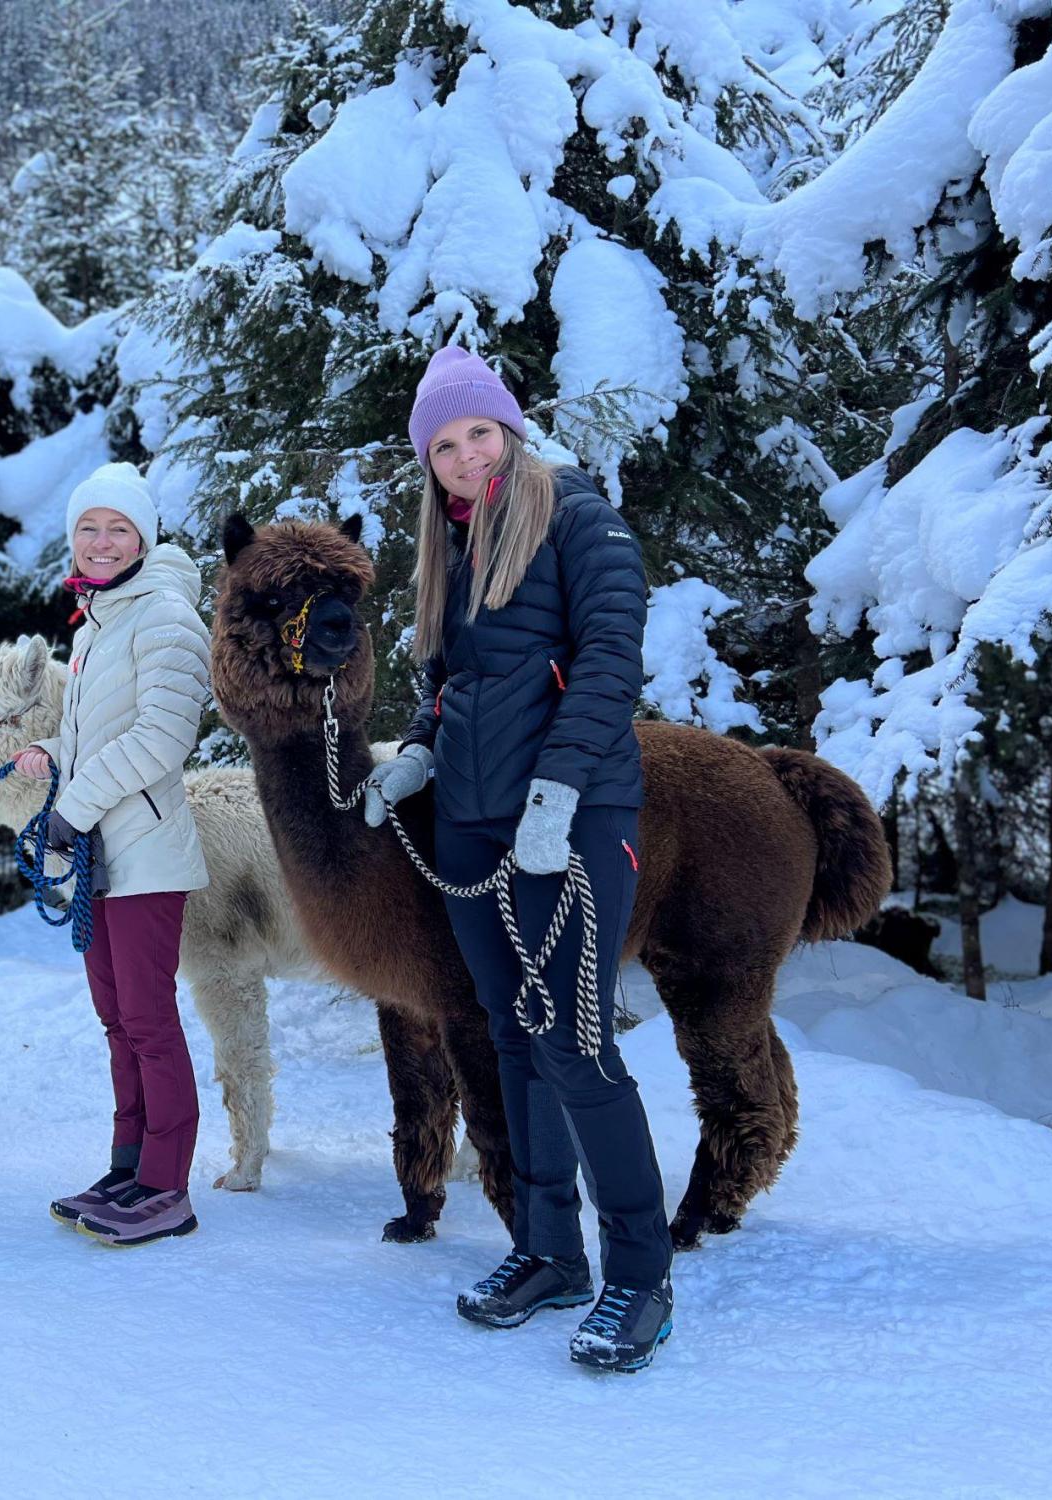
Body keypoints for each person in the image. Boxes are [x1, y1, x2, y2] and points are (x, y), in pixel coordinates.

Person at [361, 348, 674, 1372]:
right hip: (472, 821)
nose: (461, 457)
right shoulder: (448, 543)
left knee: (575, 1041)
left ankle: (638, 1273)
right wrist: (415, 753)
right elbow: (452, 680)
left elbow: (608, 657)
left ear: (510, 426)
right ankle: (547, 1250)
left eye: (475, 433)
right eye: (441, 445)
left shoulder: (577, 515)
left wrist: (559, 785)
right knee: (510, 1034)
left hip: (572, 814)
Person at [13, 463, 212, 1248]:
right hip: (100, 851)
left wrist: (75, 805)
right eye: (89, 529)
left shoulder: (164, 616)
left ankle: (168, 1184)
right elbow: (89, 732)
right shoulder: (98, 620)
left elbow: (161, 739)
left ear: (143, 538)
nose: (101, 542)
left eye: (117, 529)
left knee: (149, 1020)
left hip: (147, 854)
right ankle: (129, 1163)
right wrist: (46, 750)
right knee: (117, 1019)